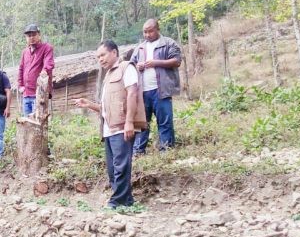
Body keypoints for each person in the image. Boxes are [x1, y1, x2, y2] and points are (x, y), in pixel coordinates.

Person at [73, 40, 147, 208]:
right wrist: (89, 104)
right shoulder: (109, 76)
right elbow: (107, 108)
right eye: (98, 57)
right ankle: (126, 201)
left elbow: (132, 94)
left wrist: (129, 122)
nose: (100, 59)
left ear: (114, 52)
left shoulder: (126, 68)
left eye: (103, 55)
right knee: (113, 168)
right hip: (108, 129)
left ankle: (116, 201)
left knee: (121, 166)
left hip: (122, 127)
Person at [130, 18, 182, 155]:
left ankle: (166, 149)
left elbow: (177, 61)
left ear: (157, 29)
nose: (147, 35)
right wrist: (137, 66)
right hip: (143, 92)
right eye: (145, 32)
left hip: (161, 90)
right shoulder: (140, 48)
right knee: (142, 122)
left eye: (150, 31)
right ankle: (138, 150)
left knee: (164, 121)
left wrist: (156, 62)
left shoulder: (168, 43)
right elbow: (131, 65)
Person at [18, 24, 55, 118]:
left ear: (39, 35)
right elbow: (21, 69)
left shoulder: (46, 48)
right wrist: (20, 85)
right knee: (27, 121)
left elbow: (49, 63)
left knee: (38, 121)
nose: (31, 38)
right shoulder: (25, 52)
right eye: (29, 36)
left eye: (34, 35)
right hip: (26, 94)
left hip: (39, 94)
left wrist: (44, 71)